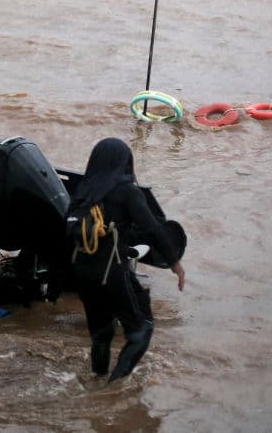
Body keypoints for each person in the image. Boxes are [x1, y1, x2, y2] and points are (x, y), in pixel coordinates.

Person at [66, 137, 186, 382]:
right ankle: (113, 387)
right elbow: (153, 229)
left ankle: (97, 378)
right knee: (141, 330)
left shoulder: (83, 191)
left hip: (82, 272)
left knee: (101, 333)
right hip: (111, 272)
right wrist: (175, 263)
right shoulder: (127, 192)